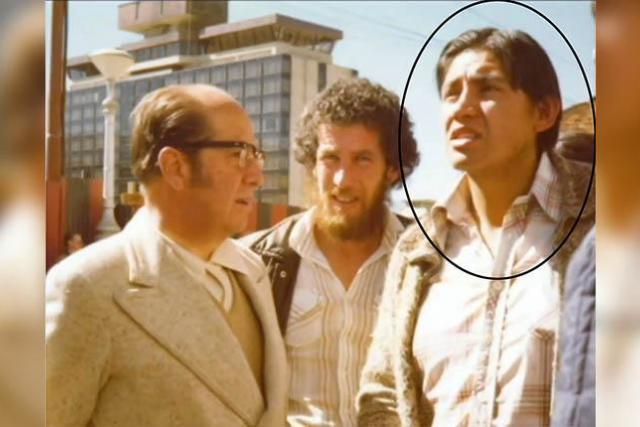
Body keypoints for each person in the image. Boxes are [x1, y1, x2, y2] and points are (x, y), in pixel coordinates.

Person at [357, 28, 595, 426]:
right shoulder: (418, 250)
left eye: (487, 89)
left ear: (543, 112)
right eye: (451, 93)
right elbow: (382, 395)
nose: (462, 108)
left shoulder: (602, 216)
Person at [46, 84, 288, 426]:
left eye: (256, 155)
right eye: (238, 153)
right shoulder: (88, 287)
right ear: (175, 166)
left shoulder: (253, 270)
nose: (257, 176)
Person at [242, 78, 419, 426]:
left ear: (392, 169)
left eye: (362, 159)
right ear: (312, 164)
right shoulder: (260, 261)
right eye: (330, 158)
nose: (342, 180)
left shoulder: (424, 261)